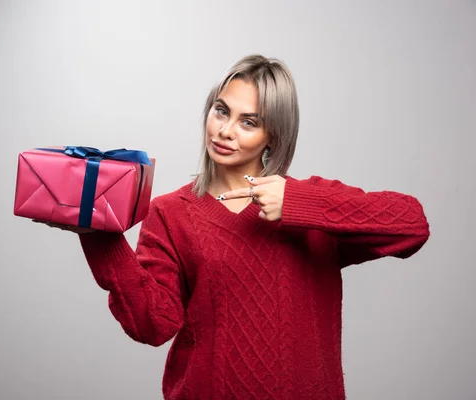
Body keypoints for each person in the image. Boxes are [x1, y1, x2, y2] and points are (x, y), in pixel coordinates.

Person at [40, 54, 430, 399]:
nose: (225, 131)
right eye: (221, 111)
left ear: (272, 136)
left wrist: (297, 202)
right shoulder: (171, 213)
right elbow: (153, 325)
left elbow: (412, 224)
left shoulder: (311, 205)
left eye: (249, 122)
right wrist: (101, 239)